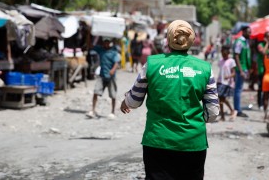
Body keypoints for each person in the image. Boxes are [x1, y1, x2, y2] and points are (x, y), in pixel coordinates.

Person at [120, 20, 219, 180]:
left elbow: (134, 101)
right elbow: (213, 113)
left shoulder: (152, 64)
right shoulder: (205, 68)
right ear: (192, 40)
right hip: (193, 143)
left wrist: (125, 101)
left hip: (158, 142)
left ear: (168, 40)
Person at [86, 37, 120, 119]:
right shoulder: (100, 50)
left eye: (107, 42)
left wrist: (113, 70)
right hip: (102, 75)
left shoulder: (113, 52)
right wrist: (89, 34)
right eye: (105, 42)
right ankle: (93, 110)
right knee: (95, 92)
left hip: (111, 76)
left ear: (110, 43)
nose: (106, 44)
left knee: (113, 95)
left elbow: (116, 63)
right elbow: (90, 46)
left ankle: (112, 112)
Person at [233, 26, 252, 117]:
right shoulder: (239, 42)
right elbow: (236, 56)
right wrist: (240, 70)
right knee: (238, 89)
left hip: (244, 68)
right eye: (248, 32)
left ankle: (237, 108)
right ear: (243, 32)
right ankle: (237, 110)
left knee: (239, 89)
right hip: (240, 69)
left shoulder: (245, 42)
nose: (250, 34)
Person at [217, 45, 236, 121]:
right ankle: (228, 112)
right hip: (220, 82)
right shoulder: (221, 61)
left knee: (221, 99)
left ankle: (224, 115)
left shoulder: (231, 61)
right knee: (222, 99)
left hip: (226, 83)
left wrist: (228, 77)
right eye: (222, 53)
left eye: (224, 53)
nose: (223, 54)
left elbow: (234, 73)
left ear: (228, 53)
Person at [256, 32, 269, 110]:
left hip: (268, 70)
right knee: (260, 87)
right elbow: (263, 52)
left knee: (266, 88)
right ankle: (260, 104)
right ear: (265, 37)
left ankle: (264, 103)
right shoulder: (260, 45)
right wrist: (267, 43)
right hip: (261, 69)